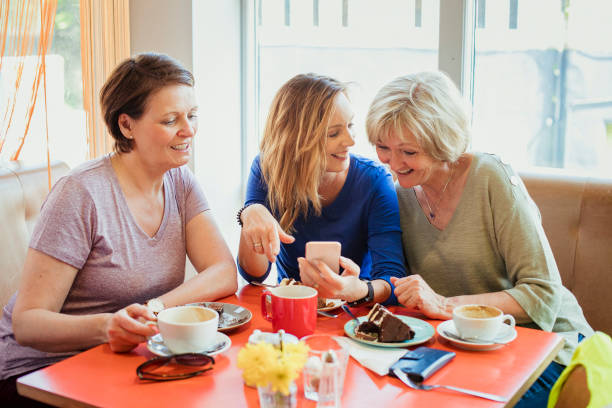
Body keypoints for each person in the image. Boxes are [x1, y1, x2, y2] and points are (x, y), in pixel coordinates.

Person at [0, 53, 237, 405]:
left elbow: (223, 273)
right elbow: (29, 324)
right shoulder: (81, 194)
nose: (188, 130)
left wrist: (153, 309)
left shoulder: (180, 181)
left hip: (123, 359)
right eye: (171, 120)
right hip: (39, 373)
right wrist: (108, 326)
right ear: (126, 126)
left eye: (192, 115)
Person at [365, 71, 593, 407]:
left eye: (408, 152)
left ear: (441, 144)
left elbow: (543, 294)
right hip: (464, 349)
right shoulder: (397, 194)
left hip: (545, 347)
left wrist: (445, 306)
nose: (393, 163)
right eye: (383, 147)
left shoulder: (491, 178)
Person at [237, 73, 406, 305]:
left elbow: (393, 280)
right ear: (296, 140)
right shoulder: (269, 169)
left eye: (350, 126)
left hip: (356, 313)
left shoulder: (375, 181)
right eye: (333, 133)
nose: (350, 141)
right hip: (294, 308)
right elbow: (254, 275)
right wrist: (251, 212)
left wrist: (360, 290)